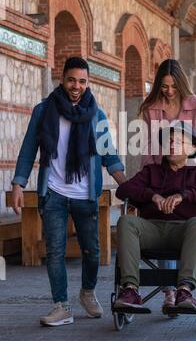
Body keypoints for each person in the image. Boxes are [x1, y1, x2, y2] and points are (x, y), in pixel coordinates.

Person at [11, 57, 126, 327]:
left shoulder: (96, 115)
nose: (77, 86)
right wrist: (17, 184)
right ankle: (61, 306)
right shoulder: (44, 111)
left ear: (88, 83)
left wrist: (128, 185)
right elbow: (28, 150)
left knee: (92, 251)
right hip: (54, 193)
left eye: (82, 81)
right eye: (72, 80)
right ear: (62, 79)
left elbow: (109, 155)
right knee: (54, 251)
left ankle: (87, 292)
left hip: (85, 195)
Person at [138, 58, 196, 312]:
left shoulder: (195, 105)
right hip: (162, 172)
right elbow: (150, 148)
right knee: (163, 217)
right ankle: (168, 291)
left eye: (174, 86)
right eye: (164, 86)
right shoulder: (152, 107)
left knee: (185, 220)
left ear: (181, 84)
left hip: (190, 170)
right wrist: (148, 181)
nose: (169, 91)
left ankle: (184, 288)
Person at [114, 122, 196, 311]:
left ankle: (184, 291)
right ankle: (130, 290)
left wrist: (185, 195)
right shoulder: (151, 171)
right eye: (169, 141)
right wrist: (152, 195)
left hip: (184, 231)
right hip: (152, 229)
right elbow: (124, 189)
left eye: (180, 141)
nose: (172, 145)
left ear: (191, 149)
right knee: (126, 221)